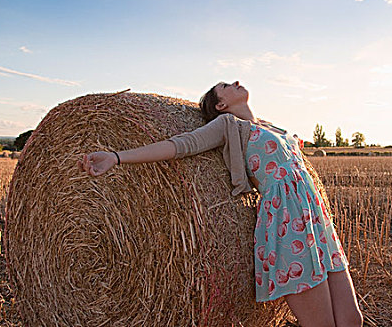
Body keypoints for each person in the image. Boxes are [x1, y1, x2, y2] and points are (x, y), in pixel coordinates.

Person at [78, 81, 363, 327]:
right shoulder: (228, 126)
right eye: (225, 85)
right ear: (221, 104)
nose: (236, 82)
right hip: (288, 226)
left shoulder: (270, 126)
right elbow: (180, 145)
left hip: (317, 222)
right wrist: (117, 157)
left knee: (352, 321)